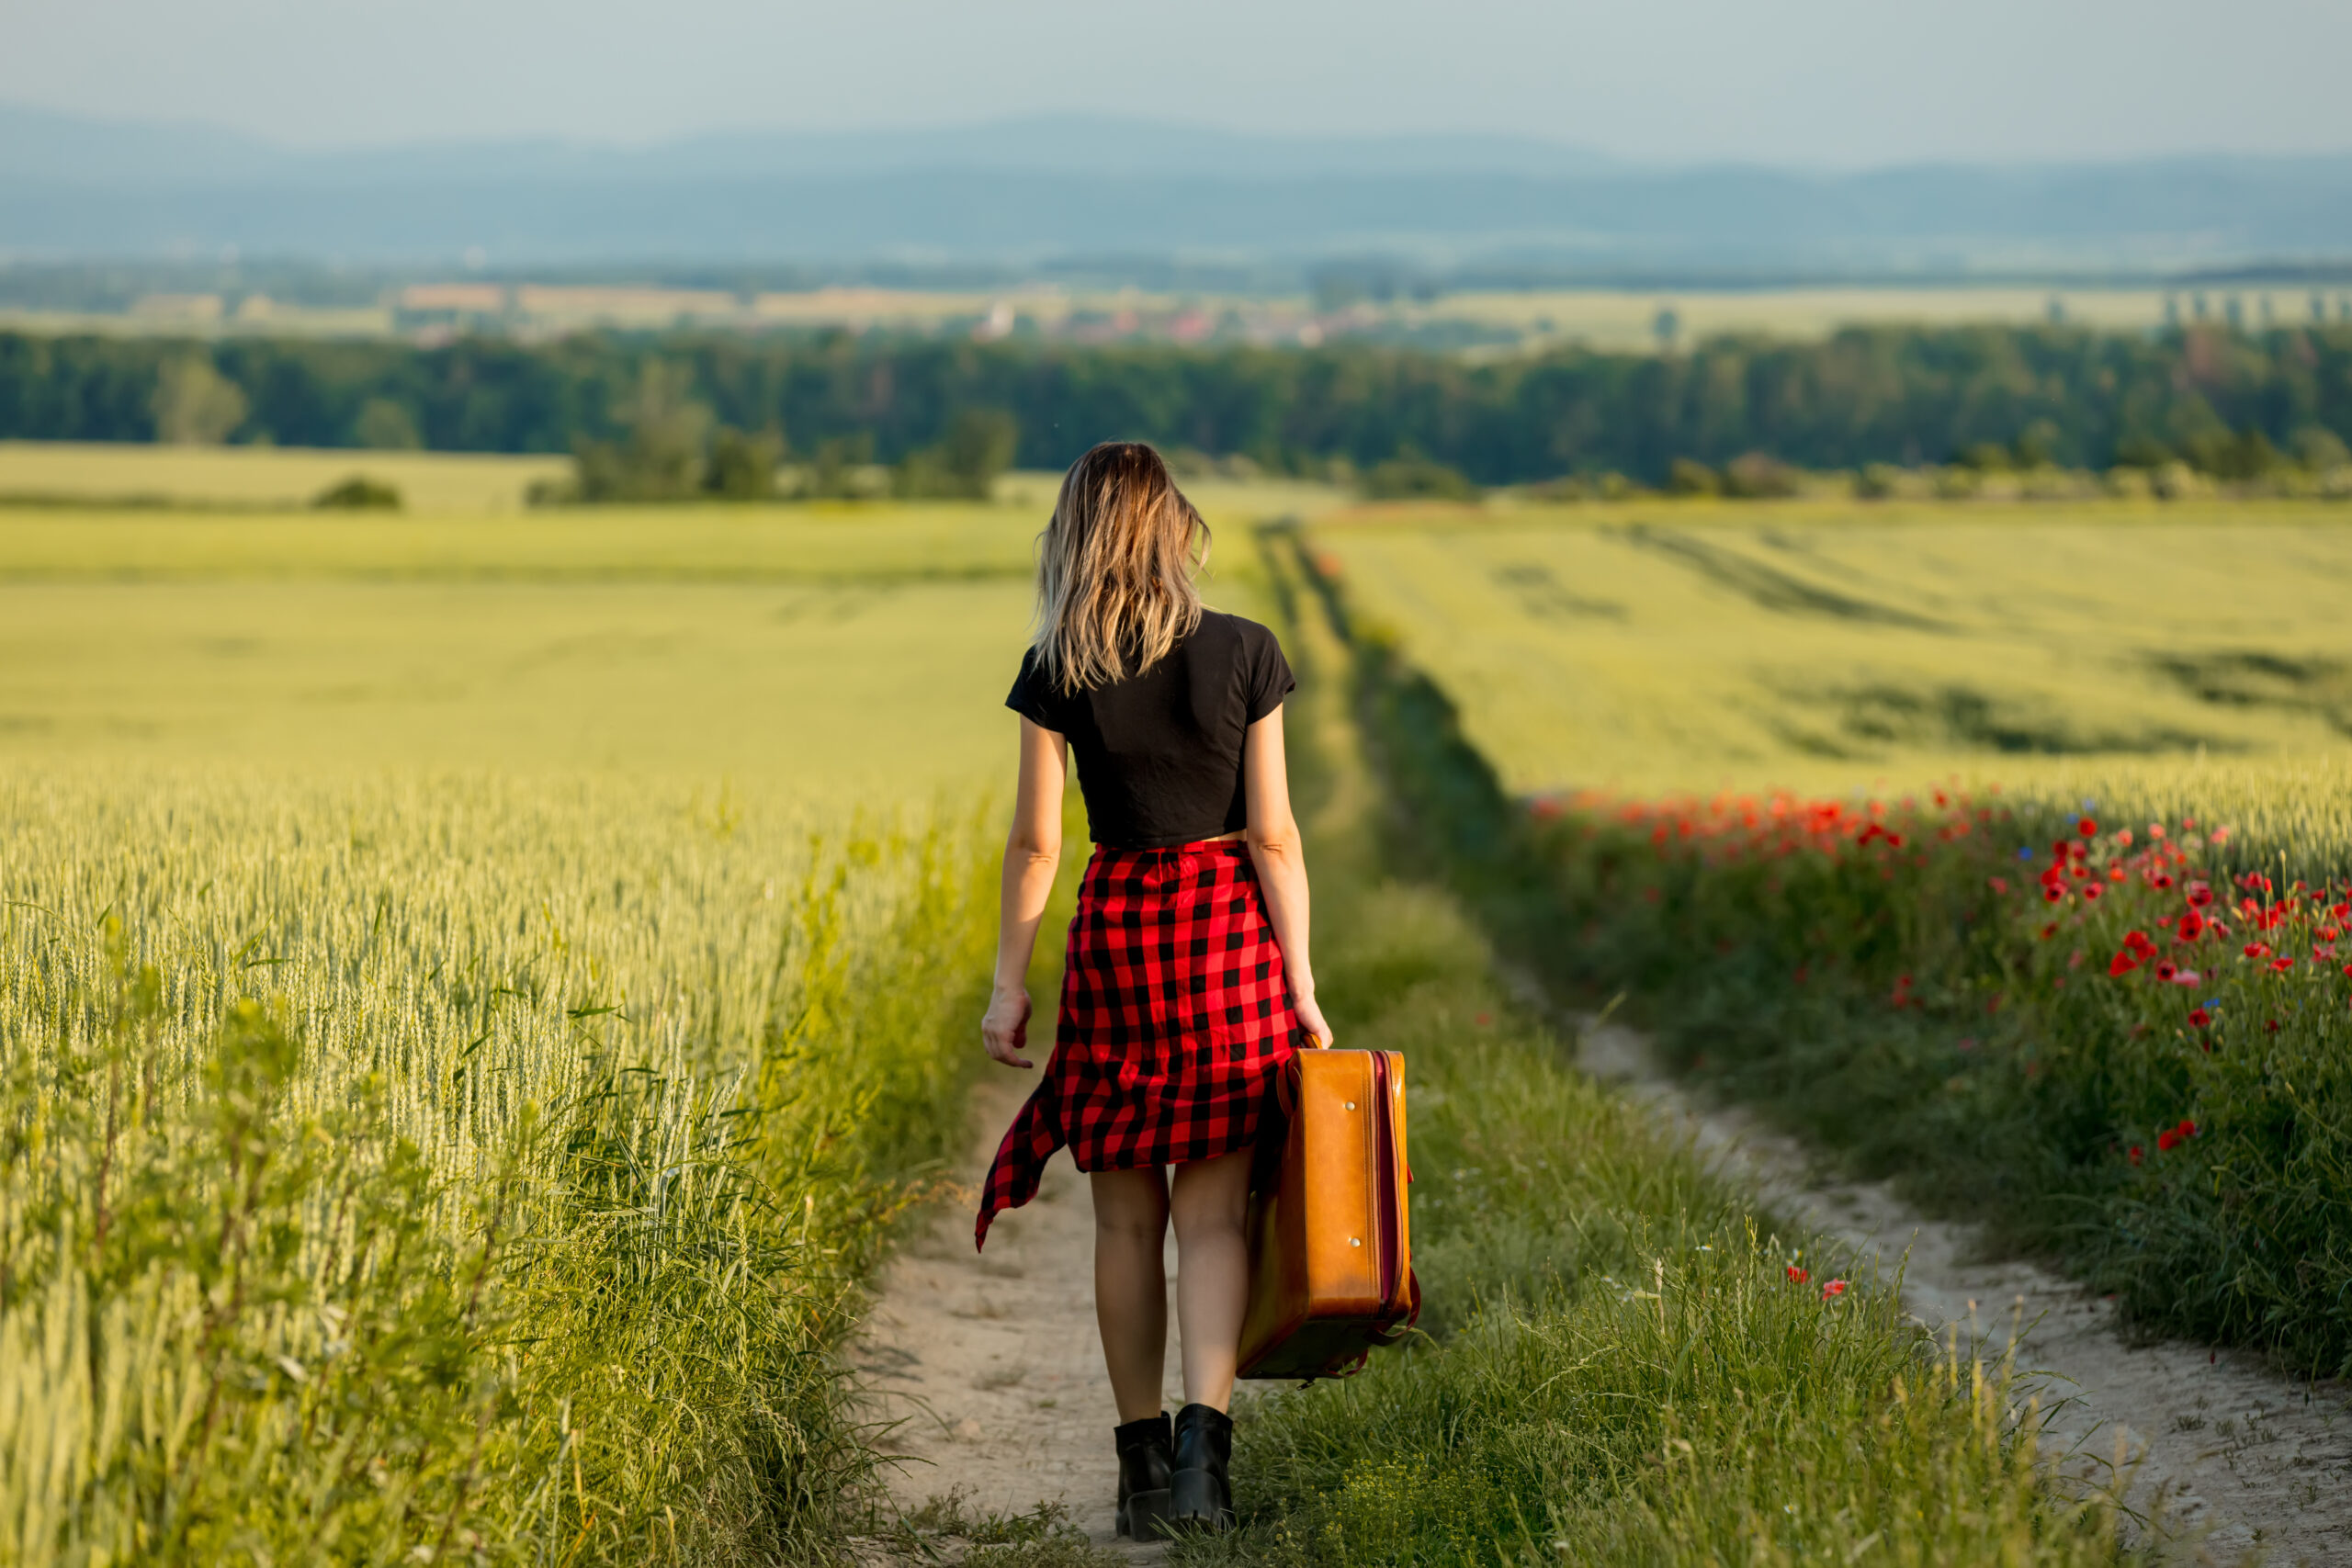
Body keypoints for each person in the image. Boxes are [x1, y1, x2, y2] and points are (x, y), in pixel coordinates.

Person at [976, 440, 1331, 1537]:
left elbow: (1039, 845)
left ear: (1077, 537)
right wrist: (1304, 989)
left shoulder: (1054, 668)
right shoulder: (1245, 651)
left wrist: (1008, 988)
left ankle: (1135, 1481)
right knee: (1212, 1220)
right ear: (1175, 531)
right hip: (1226, 944)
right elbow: (1271, 835)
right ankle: (1201, 1471)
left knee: (1124, 1222)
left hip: (1122, 942)